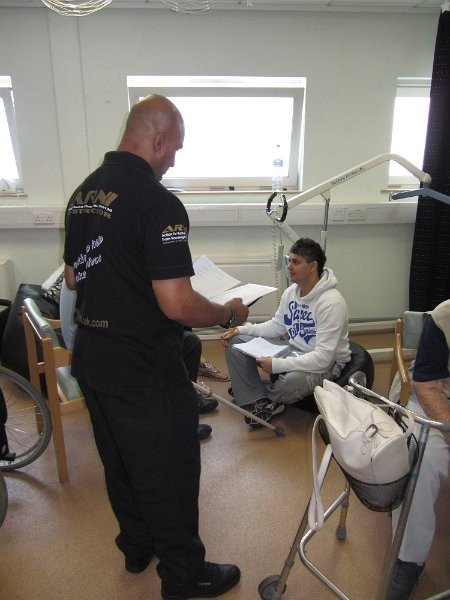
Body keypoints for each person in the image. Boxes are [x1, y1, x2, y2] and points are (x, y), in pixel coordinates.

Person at [63, 94, 248, 599]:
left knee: (120, 460)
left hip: (94, 358)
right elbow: (177, 303)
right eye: (176, 150)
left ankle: (136, 545)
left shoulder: (83, 193)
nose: (174, 161)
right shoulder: (158, 202)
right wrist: (226, 312)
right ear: (159, 140)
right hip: (142, 365)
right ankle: (184, 575)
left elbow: (74, 276)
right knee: (170, 468)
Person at [60, 280, 218, 439]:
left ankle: (187, 404)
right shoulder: (98, 278)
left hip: (98, 340)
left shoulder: (86, 272)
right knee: (169, 342)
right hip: (103, 346)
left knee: (188, 341)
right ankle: (176, 425)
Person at [221, 237, 350, 428]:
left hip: (326, 364)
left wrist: (278, 365)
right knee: (235, 341)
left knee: (292, 382)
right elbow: (276, 326)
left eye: (296, 262)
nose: (289, 266)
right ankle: (262, 399)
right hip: (293, 349)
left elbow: (323, 358)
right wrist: (242, 328)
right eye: (289, 260)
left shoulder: (331, 303)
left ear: (313, 266)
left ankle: (257, 394)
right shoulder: (291, 292)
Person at [387, 299, 450, 600]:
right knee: (420, 458)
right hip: (433, 398)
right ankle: (408, 559)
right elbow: (426, 386)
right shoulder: (444, 316)